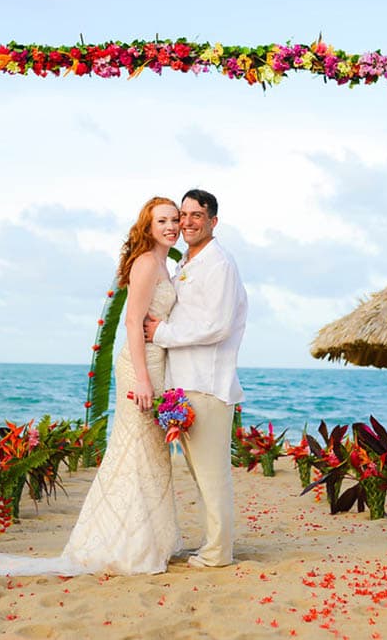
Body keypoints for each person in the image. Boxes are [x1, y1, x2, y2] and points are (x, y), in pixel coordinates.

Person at [0, 196, 183, 576]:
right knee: (132, 452)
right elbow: (132, 321)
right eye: (162, 221)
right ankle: (124, 543)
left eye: (174, 219)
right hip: (141, 368)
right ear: (148, 227)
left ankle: (149, 537)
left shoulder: (168, 265)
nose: (170, 226)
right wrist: (141, 378)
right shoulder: (147, 263)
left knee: (151, 455)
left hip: (159, 365)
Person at [144, 189, 248, 568]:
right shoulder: (187, 260)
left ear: (213, 221)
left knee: (212, 473)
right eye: (182, 214)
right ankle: (210, 542)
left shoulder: (218, 263)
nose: (186, 222)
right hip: (184, 383)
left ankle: (219, 552)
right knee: (199, 474)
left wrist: (161, 334)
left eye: (195, 215)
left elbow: (217, 325)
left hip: (207, 383)